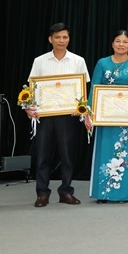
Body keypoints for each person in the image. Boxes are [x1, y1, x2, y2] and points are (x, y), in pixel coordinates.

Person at [27, 22, 90, 208]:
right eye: (57, 37)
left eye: (65, 37)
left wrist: (80, 107)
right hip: (44, 115)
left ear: (69, 39)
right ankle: (42, 193)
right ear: (50, 39)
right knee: (42, 155)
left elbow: (83, 89)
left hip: (68, 116)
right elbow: (32, 88)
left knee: (67, 155)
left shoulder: (78, 60)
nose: (61, 41)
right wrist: (29, 108)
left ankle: (66, 192)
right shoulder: (40, 61)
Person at [88, 30, 128, 203]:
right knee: (105, 150)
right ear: (112, 44)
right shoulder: (102, 63)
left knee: (126, 152)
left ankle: (124, 193)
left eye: (125, 42)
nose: (121, 44)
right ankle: (103, 193)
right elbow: (94, 87)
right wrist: (89, 113)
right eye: (118, 41)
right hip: (106, 116)